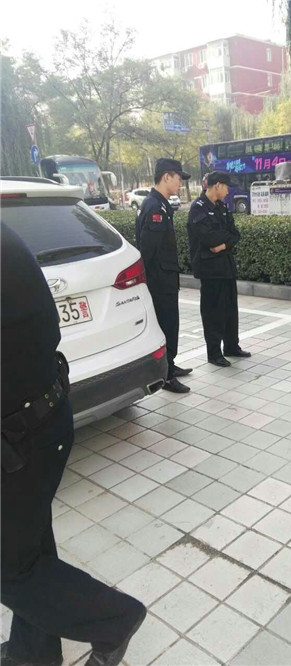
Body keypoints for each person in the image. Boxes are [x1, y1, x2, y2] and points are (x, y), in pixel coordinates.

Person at [1, 223, 146, 666]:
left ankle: (114, 620)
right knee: (30, 547)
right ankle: (33, 653)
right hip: (40, 420)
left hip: (19, 436)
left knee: (12, 568)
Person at [136, 158, 192, 393]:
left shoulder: (159, 205)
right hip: (160, 281)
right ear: (166, 177)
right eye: (178, 178)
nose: (180, 183)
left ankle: (170, 364)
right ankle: (166, 376)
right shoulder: (154, 208)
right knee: (166, 324)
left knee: (171, 323)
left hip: (165, 278)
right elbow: (148, 251)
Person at [187, 171, 251, 367]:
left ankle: (231, 346)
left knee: (230, 309)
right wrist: (224, 240)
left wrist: (223, 245)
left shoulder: (222, 207)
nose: (228, 191)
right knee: (213, 312)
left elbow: (235, 235)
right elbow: (209, 239)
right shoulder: (198, 208)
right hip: (210, 269)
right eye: (226, 186)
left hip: (226, 265)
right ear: (217, 185)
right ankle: (214, 353)